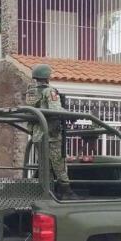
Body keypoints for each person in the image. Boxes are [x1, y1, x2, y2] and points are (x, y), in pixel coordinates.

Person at [25, 64, 76, 199]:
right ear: (47, 77)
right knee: (59, 163)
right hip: (51, 134)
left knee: (44, 165)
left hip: (37, 135)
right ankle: (65, 191)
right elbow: (55, 110)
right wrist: (72, 115)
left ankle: (47, 191)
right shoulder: (50, 91)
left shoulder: (30, 91)